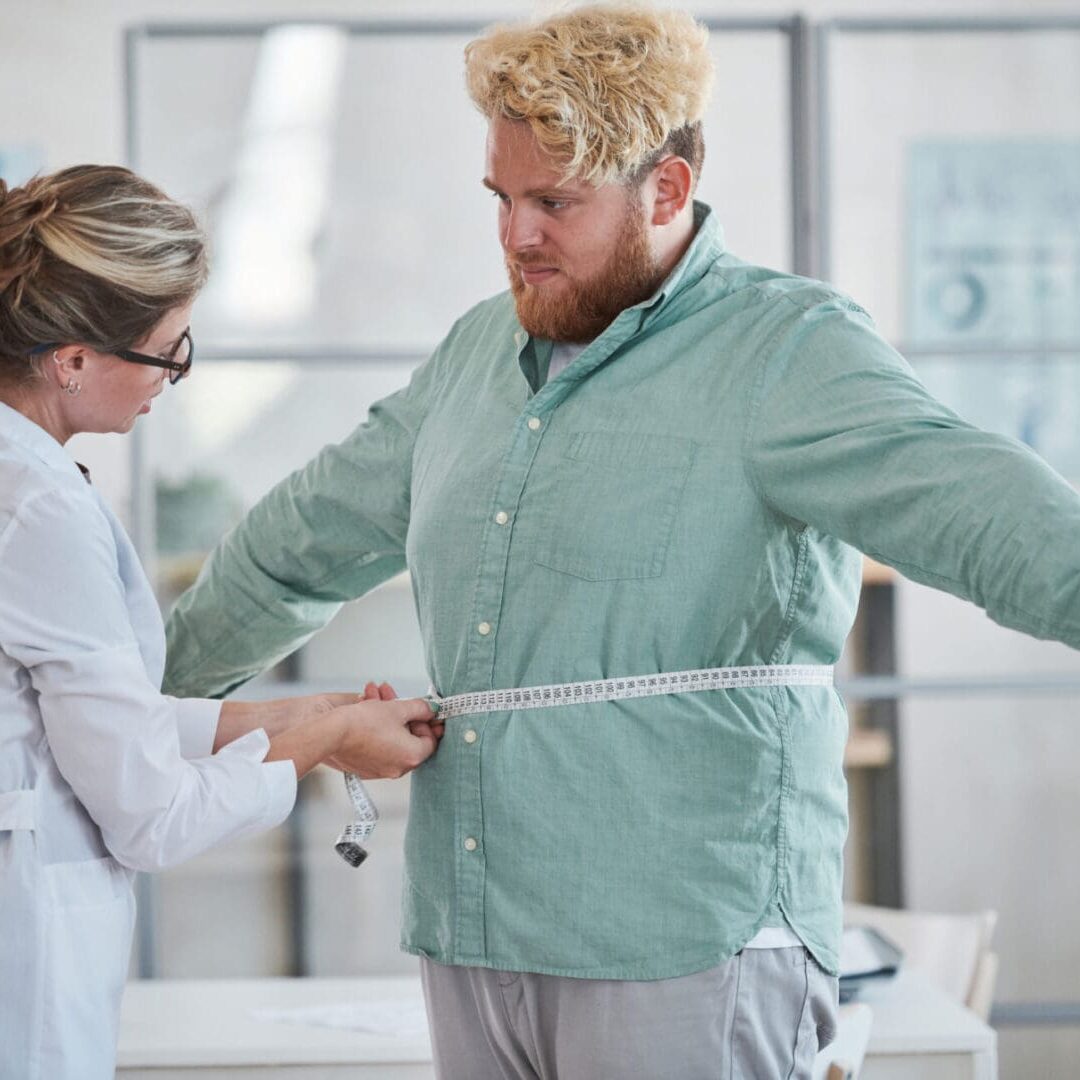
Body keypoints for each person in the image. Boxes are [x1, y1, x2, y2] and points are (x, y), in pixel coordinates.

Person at [164, 5, 1080, 1077]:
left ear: (668, 190)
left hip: (682, 937)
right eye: (501, 198)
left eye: (554, 201)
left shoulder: (787, 351)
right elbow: (294, 546)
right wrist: (123, 707)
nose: (515, 234)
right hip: (476, 931)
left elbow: (993, 517)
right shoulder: (475, 353)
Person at [0, 165, 439, 1080]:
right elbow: (150, 817)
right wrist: (316, 745)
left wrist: (308, 719)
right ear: (72, 360)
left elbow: (68, 722)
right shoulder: (36, 506)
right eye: (168, 352)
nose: (176, 377)